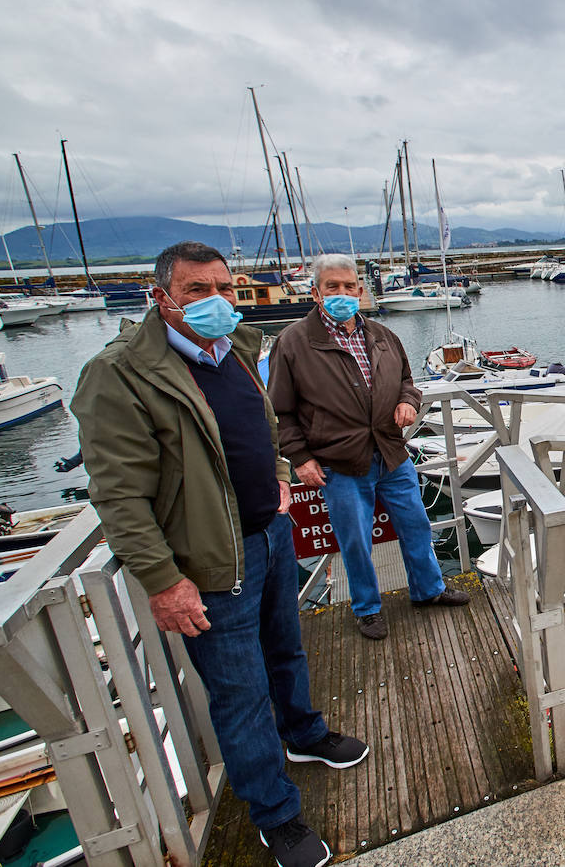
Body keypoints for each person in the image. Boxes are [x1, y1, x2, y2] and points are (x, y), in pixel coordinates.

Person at [73, 242, 366, 867]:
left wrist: (281, 472)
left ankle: (305, 735)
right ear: (162, 300)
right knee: (239, 690)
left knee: (286, 650)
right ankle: (276, 814)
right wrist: (161, 580)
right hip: (206, 564)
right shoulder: (120, 373)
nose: (215, 302)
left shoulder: (234, 349)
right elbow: (119, 493)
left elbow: (255, 430)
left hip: (268, 535)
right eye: (196, 292)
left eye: (224, 289)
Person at [268, 254, 469, 640]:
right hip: (339, 463)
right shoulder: (293, 343)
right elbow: (281, 412)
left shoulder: (381, 335)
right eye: (332, 287)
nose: (342, 293)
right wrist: (301, 459)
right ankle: (367, 608)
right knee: (355, 541)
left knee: (416, 525)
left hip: (392, 454)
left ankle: (429, 590)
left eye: (349, 286)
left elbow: (408, 380)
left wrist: (409, 401)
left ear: (360, 291)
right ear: (316, 293)